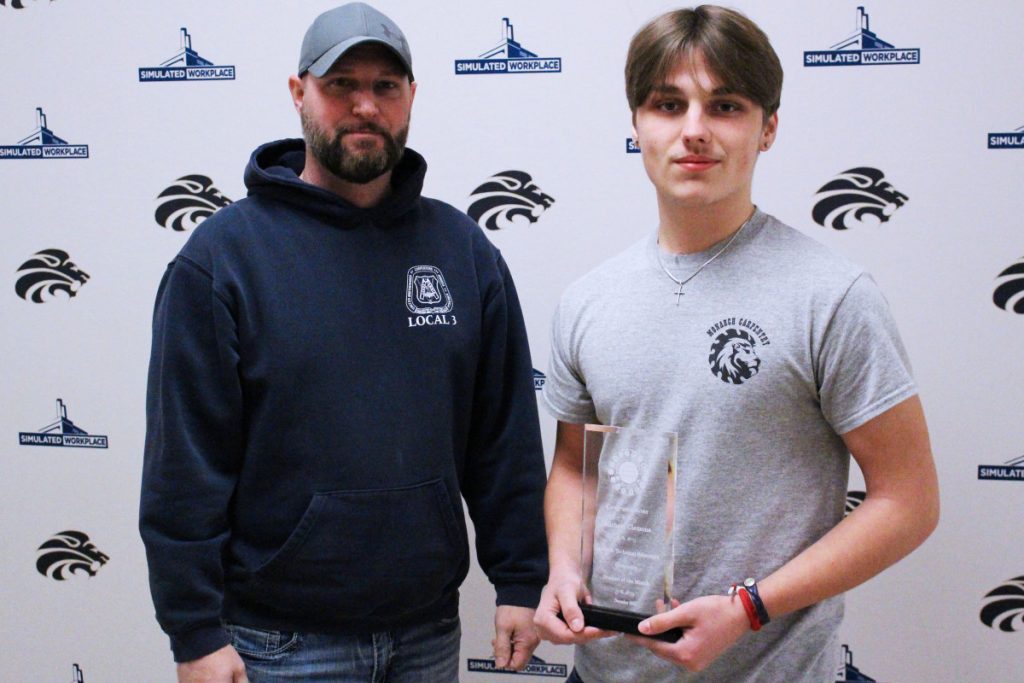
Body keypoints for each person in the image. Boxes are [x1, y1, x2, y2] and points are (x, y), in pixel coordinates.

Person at [139, 3, 547, 681]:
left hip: (427, 632)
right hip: (279, 643)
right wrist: (194, 633)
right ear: (299, 93)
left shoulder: (462, 251)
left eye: (385, 86)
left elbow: (503, 439)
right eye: (340, 85)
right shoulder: (223, 260)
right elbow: (185, 468)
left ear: (411, 96)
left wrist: (520, 579)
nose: (365, 105)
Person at [533, 6, 939, 682]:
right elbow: (577, 468)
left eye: (724, 104)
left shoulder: (831, 296)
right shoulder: (586, 301)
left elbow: (909, 499)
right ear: (637, 124)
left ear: (767, 127)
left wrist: (749, 607)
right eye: (669, 104)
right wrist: (566, 567)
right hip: (602, 671)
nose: (694, 130)